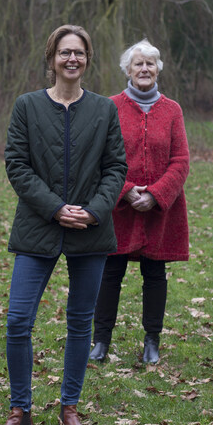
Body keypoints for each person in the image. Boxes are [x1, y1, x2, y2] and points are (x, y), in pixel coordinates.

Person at [0, 25, 127, 425]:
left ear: (87, 59)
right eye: (64, 52)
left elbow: (115, 168)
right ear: (51, 59)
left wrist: (95, 210)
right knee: (17, 321)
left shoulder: (104, 110)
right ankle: (20, 413)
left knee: (81, 322)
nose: (72, 59)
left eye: (79, 53)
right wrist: (53, 208)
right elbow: (16, 164)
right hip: (38, 226)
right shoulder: (27, 106)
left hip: (90, 231)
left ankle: (70, 408)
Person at [89, 39, 189, 365]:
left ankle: (152, 341)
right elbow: (99, 157)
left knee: (154, 274)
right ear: (128, 70)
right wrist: (127, 190)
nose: (144, 69)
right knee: (110, 272)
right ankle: (100, 340)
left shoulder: (172, 110)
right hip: (119, 207)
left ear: (158, 68)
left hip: (159, 211)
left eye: (150, 63)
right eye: (138, 64)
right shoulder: (109, 106)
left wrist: (156, 195)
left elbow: (181, 160)